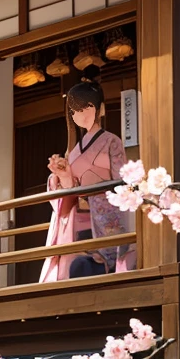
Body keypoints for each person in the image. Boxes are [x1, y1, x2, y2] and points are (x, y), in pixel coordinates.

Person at [39, 66, 135, 283]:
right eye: (74, 111)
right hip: (79, 221)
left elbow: (122, 182)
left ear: (100, 109)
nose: (79, 115)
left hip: (106, 217)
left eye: (85, 109)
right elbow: (69, 193)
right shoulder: (73, 151)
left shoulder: (112, 141)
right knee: (77, 266)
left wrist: (96, 186)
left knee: (94, 266)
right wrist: (62, 175)